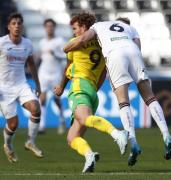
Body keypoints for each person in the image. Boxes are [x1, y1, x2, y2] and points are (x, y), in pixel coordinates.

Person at [63, 16, 171, 166]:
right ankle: (166, 135)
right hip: (133, 51)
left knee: (123, 102)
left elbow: (83, 40)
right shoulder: (130, 29)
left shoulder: (98, 26)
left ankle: (133, 143)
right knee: (150, 97)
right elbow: (137, 49)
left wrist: (66, 48)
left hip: (115, 54)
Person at [54, 12, 128, 173]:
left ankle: (117, 134)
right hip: (92, 91)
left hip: (79, 85)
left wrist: (60, 86)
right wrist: (94, 89)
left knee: (83, 118)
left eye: (75, 28)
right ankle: (89, 156)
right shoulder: (103, 44)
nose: (73, 32)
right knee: (72, 137)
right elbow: (103, 72)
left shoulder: (75, 43)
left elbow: (68, 66)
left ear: (84, 27)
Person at [0, 12, 43, 163]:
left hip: (22, 85)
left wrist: (37, 84)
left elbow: (31, 64)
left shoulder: (27, 43)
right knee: (14, 124)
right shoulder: (1, 43)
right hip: (4, 89)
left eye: (19, 23)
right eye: (14, 23)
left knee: (36, 108)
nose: (17, 26)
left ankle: (30, 141)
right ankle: (8, 145)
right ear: (8, 27)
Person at [38, 18, 66, 134]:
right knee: (42, 98)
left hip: (56, 74)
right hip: (43, 73)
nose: (49, 28)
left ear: (54, 27)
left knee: (56, 99)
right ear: (45, 28)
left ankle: (61, 119)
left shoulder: (60, 41)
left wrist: (55, 53)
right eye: (47, 26)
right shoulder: (42, 42)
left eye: (51, 26)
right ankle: (42, 125)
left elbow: (65, 56)